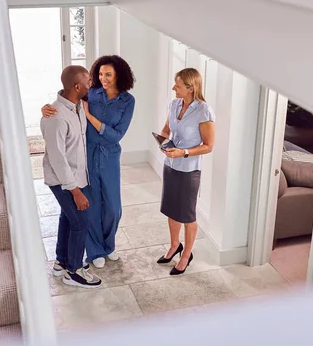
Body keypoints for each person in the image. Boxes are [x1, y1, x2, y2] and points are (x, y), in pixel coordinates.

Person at [41, 55, 136, 268]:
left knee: (113, 208)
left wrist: (91, 117)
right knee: (90, 206)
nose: (103, 78)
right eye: (100, 74)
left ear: (119, 75)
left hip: (110, 156)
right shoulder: (90, 94)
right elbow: (66, 104)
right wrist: (45, 109)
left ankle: (108, 245)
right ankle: (94, 252)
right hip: (87, 155)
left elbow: (116, 135)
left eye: (108, 74)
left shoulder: (128, 101)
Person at [40, 65, 101, 288]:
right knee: (81, 221)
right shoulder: (56, 116)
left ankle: (61, 262)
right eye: (87, 82)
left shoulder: (77, 106)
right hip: (62, 180)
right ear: (77, 86)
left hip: (75, 176)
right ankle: (73, 272)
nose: (91, 84)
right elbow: (57, 158)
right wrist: (75, 191)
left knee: (68, 218)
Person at [157, 68, 215, 275]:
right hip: (170, 165)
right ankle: (174, 245)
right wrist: (162, 143)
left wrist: (184, 153)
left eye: (178, 85)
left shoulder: (203, 111)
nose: (174, 87)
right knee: (171, 208)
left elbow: (208, 145)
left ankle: (186, 254)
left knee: (187, 214)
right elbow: (166, 131)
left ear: (191, 88)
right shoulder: (174, 104)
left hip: (189, 170)